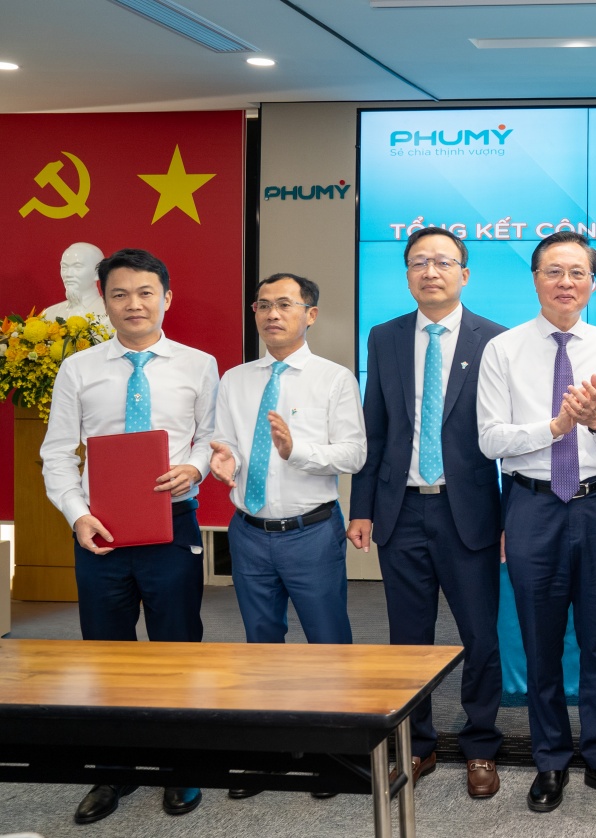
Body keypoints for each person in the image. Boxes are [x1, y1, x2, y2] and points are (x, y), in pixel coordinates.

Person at [40, 247, 218, 823]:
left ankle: (180, 766)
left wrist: (194, 468)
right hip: (102, 532)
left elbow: (211, 437)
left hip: (173, 526)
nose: (133, 304)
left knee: (177, 648)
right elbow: (56, 453)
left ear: (167, 298)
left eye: (145, 293)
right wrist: (77, 514)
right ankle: (111, 770)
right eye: (120, 294)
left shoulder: (199, 364)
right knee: (105, 654)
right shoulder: (78, 368)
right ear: (105, 300)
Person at [476, 231, 596, 813]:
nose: (566, 282)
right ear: (535, 279)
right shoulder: (503, 350)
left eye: (577, 272)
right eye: (554, 271)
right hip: (532, 506)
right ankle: (549, 759)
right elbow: (490, 438)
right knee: (540, 641)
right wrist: (553, 428)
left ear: (593, 282)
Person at [347, 227, 506, 799]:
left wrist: (510, 519)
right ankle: (417, 743)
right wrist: (361, 507)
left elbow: (508, 440)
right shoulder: (384, 336)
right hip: (401, 510)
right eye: (419, 262)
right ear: (407, 274)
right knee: (408, 640)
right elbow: (376, 427)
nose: (430, 272)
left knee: (479, 636)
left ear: (464, 273)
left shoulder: (496, 339)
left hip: (471, 512)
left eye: (442, 262)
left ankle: (481, 744)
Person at [211, 273, 365, 800]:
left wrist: (296, 450)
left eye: (284, 304)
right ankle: (271, 751)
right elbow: (225, 442)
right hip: (248, 532)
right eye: (262, 305)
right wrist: (224, 461)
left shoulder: (334, 379)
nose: (272, 314)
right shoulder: (234, 379)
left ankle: (335, 753)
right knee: (261, 645)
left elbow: (354, 454)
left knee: (328, 644)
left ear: (310, 314)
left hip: (310, 532)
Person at [42, 241, 108, 322]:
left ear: (97, 272)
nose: (68, 274)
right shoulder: (49, 314)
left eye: (77, 267)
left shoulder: (112, 314)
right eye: (64, 267)